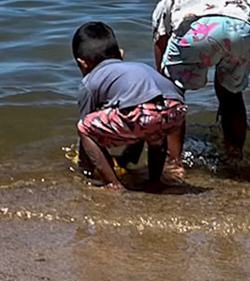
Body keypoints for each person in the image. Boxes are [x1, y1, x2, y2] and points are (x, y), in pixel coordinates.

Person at [152, 0, 250, 170]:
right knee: (231, 93)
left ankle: (174, 162)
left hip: (201, 27)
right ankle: (234, 156)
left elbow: (161, 53)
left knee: (172, 93)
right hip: (248, 27)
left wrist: (168, 86)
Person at [71, 21, 187, 190]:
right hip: (175, 109)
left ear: (82, 63)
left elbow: (89, 131)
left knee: (84, 128)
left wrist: (85, 167)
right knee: (153, 126)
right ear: (121, 54)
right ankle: (155, 180)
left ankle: (113, 184)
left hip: (143, 113)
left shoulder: (90, 82)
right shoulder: (136, 68)